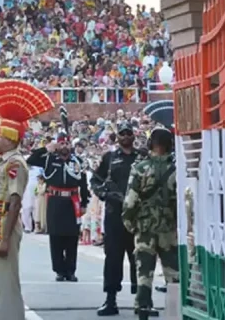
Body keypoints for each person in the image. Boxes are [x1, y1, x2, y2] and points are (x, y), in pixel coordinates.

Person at [0, 79, 55, 320]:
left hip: (1, 224)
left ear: (11, 138)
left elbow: (15, 202)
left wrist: (5, 238)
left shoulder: (15, 163)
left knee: (4, 284)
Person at [122, 127, 179, 320]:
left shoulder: (140, 168)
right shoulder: (177, 169)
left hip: (145, 227)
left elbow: (130, 201)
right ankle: (175, 310)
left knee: (144, 271)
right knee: (173, 272)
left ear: (150, 144)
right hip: (169, 227)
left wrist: (129, 222)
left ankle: (143, 306)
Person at [90, 121, 140, 315]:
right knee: (113, 258)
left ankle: (142, 300)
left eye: (129, 133)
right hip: (114, 215)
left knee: (139, 258)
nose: (126, 136)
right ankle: (111, 299)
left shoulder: (141, 157)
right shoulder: (109, 158)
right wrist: (104, 194)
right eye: (122, 134)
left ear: (134, 136)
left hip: (136, 215)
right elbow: (95, 180)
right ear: (117, 137)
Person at [27, 130, 90, 282]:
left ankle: (70, 270)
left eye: (67, 143)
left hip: (72, 201)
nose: (64, 146)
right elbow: (31, 159)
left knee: (72, 237)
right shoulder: (49, 159)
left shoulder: (77, 162)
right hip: (54, 200)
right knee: (55, 237)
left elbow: (83, 185)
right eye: (61, 143)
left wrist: (84, 203)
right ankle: (59, 270)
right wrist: (46, 148)